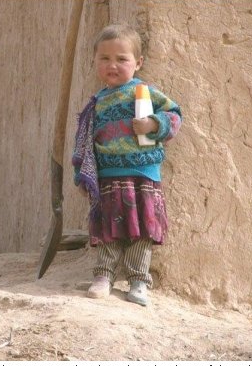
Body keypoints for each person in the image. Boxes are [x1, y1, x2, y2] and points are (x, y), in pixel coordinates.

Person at [72, 24, 182, 306]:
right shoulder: (96, 102)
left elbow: (174, 116)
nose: (113, 65)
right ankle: (104, 275)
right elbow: (84, 142)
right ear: (94, 61)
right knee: (109, 229)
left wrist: (152, 124)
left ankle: (138, 280)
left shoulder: (144, 93)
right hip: (109, 177)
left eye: (122, 59)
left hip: (143, 175)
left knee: (142, 230)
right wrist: (83, 174)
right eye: (105, 58)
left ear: (138, 63)